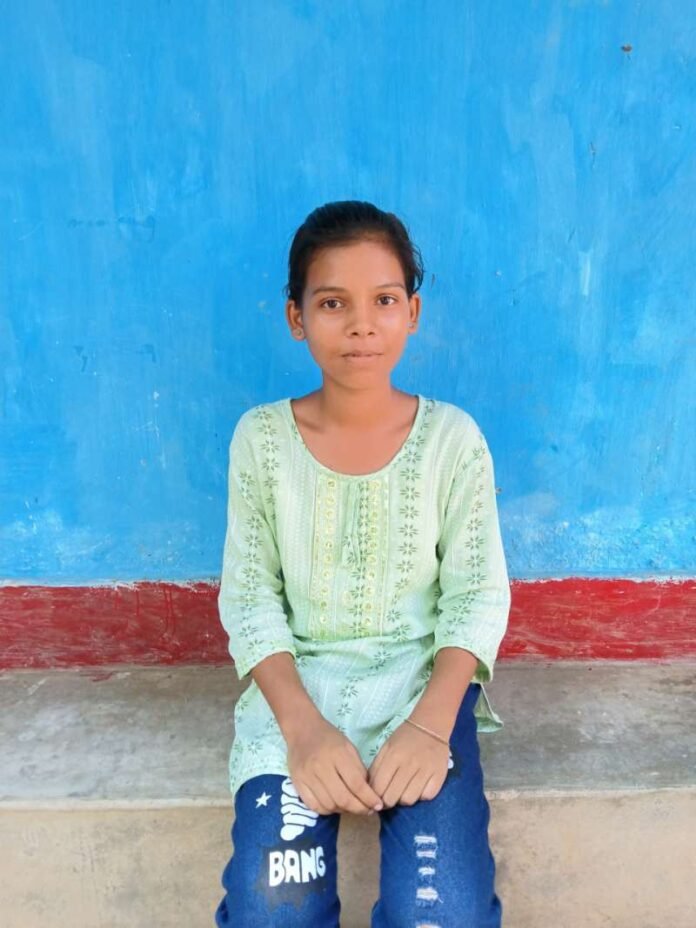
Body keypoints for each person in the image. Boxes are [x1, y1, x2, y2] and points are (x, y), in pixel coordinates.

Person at [214, 200, 511, 927]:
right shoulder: (262, 441)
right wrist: (303, 731)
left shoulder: (452, 440)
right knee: (271, 912)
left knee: (441, 916)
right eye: (332, 303)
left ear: (412, 312)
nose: (360, 324)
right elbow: (250, 598)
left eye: (383, 300)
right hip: (298, 697)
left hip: (420, 692)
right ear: (296, 317)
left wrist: (432, 726)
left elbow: (476, 595)